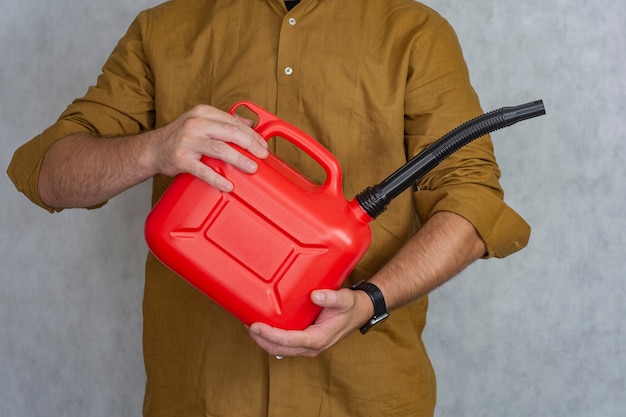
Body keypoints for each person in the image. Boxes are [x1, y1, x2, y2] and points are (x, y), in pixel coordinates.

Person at [7, 0, 531, 416]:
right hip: (199, 400)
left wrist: (370, 300)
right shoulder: (162, 31)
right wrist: (153, 148)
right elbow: (45, 173)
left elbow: (473, 202)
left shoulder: (416, 33)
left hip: (367, 398)